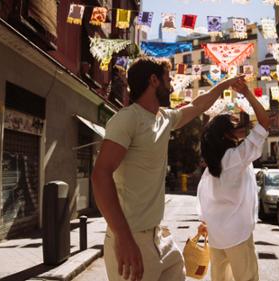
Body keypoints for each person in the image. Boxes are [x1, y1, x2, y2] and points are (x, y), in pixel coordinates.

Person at [91, 56, 244, 281]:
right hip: (131, 238)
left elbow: (197, 104)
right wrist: (123, 237)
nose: (172, 85)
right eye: (168, 79)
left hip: (160, 237)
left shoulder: (164, 118)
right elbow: (100, 175)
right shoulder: (126, 119)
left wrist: (225, 83)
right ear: (154, 80)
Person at [197, 79, 269, 281]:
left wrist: (204, 221)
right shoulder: (236, 158)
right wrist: (246, 92)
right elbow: (264, 123)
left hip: (217, 236)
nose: (240, 130)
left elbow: (204, 196)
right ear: (226, 134)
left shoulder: (212, 166)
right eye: (235, 126)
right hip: (237, 233)